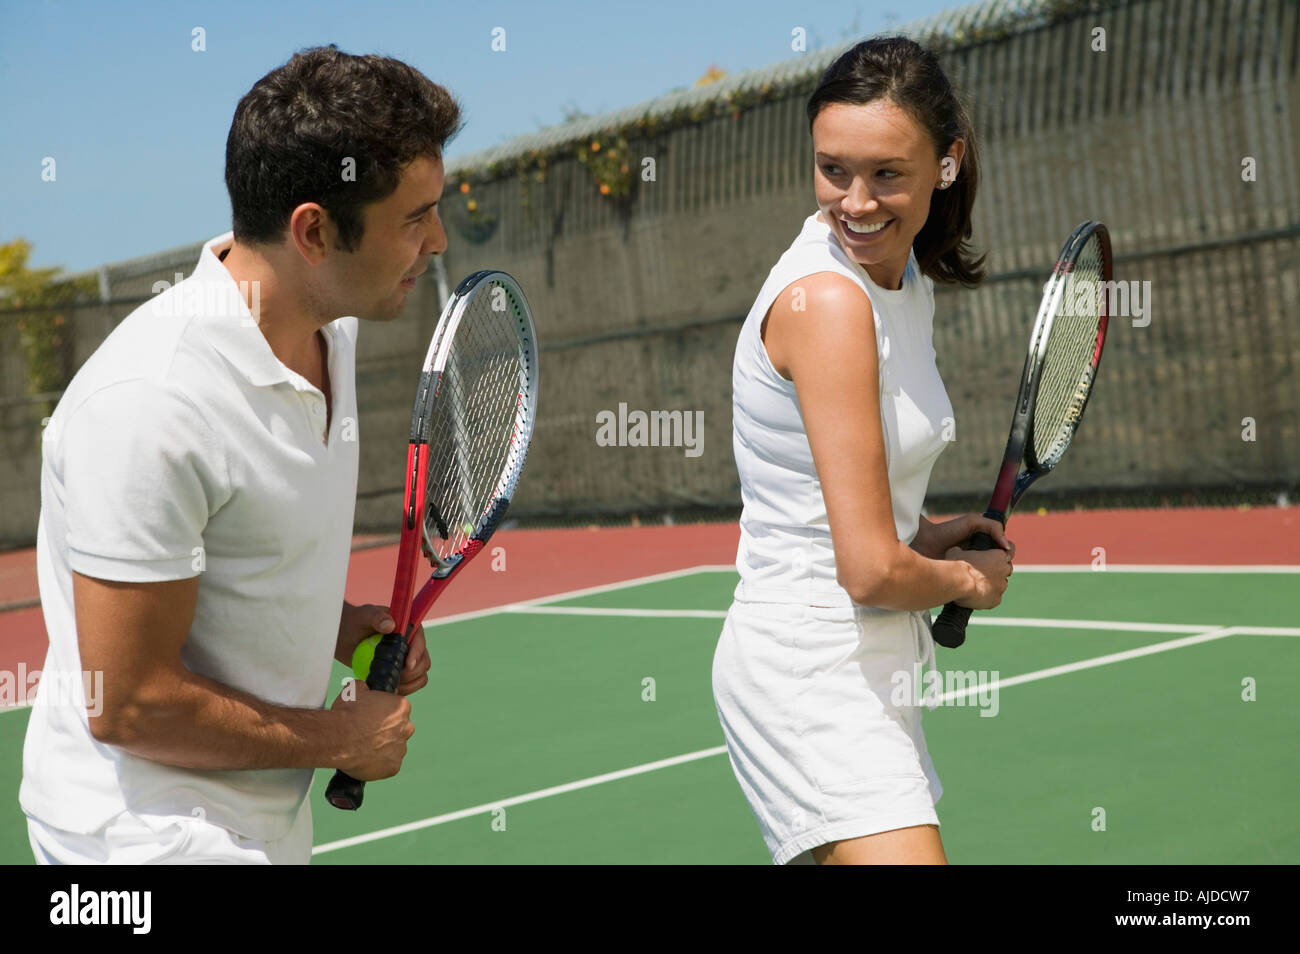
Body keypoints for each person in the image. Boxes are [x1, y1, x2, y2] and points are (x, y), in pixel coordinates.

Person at [21, 45, 461, 864]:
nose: (437, 240)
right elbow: (130, 705)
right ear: (315, 231)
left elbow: (224, 573)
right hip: (140, 842)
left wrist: (341, 632)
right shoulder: (151, 402)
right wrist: (342, 737)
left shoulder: (335, 327)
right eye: (414, 216)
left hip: (255, 822)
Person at [712, 36, 1016, 866]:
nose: (856, 201)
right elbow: (867, 572)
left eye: (887, 173)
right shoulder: (829, 302)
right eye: (832, 169)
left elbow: (851, 531)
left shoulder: (902, 281)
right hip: (808, 666)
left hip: (870, 656)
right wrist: (965, 582)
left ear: (946, 164)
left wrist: (927, 540)